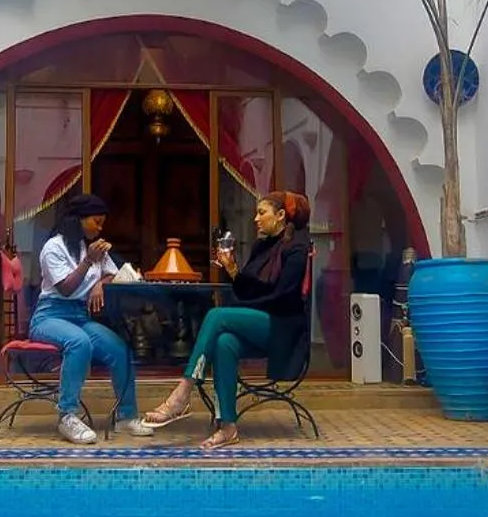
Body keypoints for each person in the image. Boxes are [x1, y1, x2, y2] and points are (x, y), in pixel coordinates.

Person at [142, 191, 311, 449]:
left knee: (217, 315)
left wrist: (240, 310)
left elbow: (283, 297)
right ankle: (227, 426)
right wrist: (232, 270)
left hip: (282, 328)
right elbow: (247, 290)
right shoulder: (261, 247)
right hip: (260, 323)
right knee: (224, 342)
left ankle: (183, 392)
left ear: (280, 216)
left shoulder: (296, 248)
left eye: (261, 212)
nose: (255, 219)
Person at [28, 193, 152, 444]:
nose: (100, 227)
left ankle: (126, 416)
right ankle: (67, 415)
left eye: (102, 222)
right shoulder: (55, 247)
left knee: (119, 348)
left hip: (80, 316)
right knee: (79, 342)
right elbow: (65, 288)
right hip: (50, 315)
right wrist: (87, 262)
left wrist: (99, 285)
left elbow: (111, 275)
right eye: (96, 221)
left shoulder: (92, 247)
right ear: (79, 220)